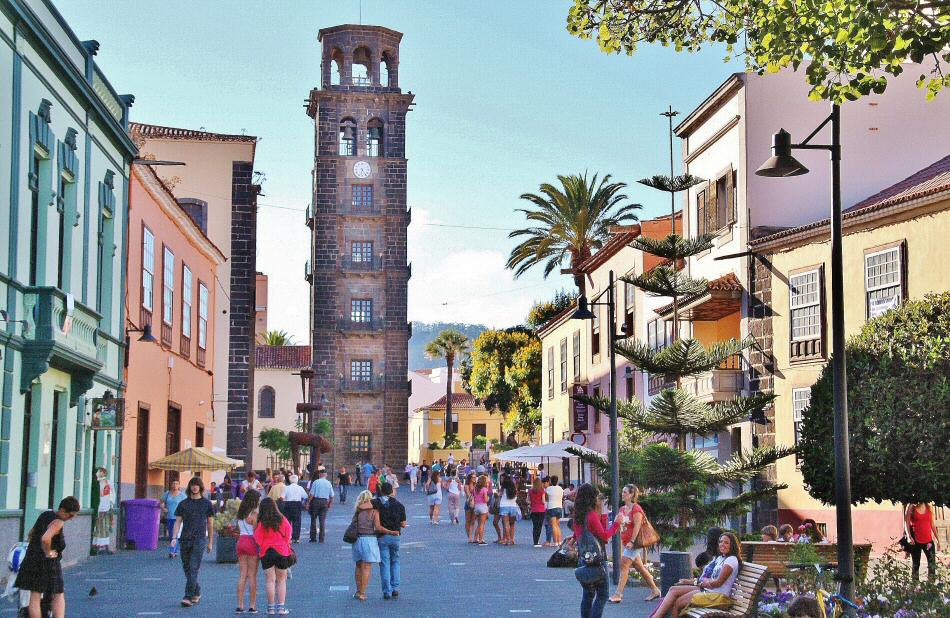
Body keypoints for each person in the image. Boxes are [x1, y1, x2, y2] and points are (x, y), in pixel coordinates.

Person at [649, 531, 742, 618]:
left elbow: (718, 582)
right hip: (709, 590)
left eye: (726, 543)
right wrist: (696, 582)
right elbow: (710, 579)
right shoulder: (720, 558)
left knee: (678, 603)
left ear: (732, 545)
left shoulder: (731, 559)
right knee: (673, 589)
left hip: (718, 596)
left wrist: (704, 583)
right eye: (721, 542)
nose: (722, 544)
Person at [15, 496, 80, 618]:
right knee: (58, 594)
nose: (71, 518)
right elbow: (45, 538)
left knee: (35, 596)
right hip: (49, 564)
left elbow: (31, 533)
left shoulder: (45, 514)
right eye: (70, 515)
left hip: (32, 560)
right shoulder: (58, 522)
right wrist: (48, 552)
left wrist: (34, 547)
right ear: (62, 510)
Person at [571, 484, 623, 618]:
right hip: (598, 560)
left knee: (588, 595)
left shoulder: (578, 516)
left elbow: (580, 533)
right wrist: (617, 523)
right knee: (603, 594)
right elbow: (604, 536)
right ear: (591, 498)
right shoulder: (591, 515)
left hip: (584, 559)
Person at [609, 485, 661, 604]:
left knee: (624, 564)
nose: (622, 494)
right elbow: (620, 524)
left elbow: (637, 526)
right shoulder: (622, 509)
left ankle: (618, 594)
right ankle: (655, 590)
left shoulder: (636, 509)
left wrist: (632, 542)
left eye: (625, 492)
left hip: (635, 543)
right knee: (640, 567)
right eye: (622, 492)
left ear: (631, 494)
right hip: (627, 542)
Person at [170, 476, 214, 607]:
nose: (195, 487)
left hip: (199, 539)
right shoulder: (183, 504)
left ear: (201, 487)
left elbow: (210, 523)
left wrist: (210, 542)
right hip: (185, 539)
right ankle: (196, 591)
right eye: (192, 485)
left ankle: (188, 596)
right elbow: (178, 522)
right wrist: (174, 537)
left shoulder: (206, 504)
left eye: (197, 485)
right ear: (189, 487)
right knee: (187, 567)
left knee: (193, 567)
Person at [351, 490, 399, 601]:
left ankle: (358, 591)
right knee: (367, 567)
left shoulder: (358, 510)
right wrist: (391, 532)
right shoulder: (374, 511)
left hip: (357, 540)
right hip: (369, 540)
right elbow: (378, 527)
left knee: (358, 566)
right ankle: (362, 593)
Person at [253, 498, 294, 616]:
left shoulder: (262, 523)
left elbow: (257, 538)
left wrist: (264, 544)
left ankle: (270, 608)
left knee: (270, 580)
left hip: (266, 552)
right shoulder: (282, 519)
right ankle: (281, 608)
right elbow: (289, 534)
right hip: (282, 551)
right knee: (281, 580)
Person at [373, 482, 407, 599]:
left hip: (382, 536)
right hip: (395, 536)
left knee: (384, 564)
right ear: (392, 491)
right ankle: (395, 588)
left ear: (381, 491)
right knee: (395, 561)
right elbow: (403, 524)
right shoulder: (399, 505)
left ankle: (386, 591)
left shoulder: (377, 503)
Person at [235, 489, 261, 613]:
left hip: (241, 541)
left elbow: (238, 529)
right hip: (251, 542)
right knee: (252, 576)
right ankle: (252, 606)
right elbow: (256, 532)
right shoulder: (254, 514)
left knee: (242, 575)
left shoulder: (240, 513)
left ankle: (240, 605)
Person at [905, 502, 940, 581]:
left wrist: (938, 540)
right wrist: (909, 536)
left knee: (932, 564)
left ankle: (931, 585)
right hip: (915, 541)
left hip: (928, 542)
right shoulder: (911, 506)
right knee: (916, 564)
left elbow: (932, 524)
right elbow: (907, 522)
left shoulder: (928, 506)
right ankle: (914, 585)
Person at [161, 479, 187, 558]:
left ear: (179, 486)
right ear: (171, 485)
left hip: (179, 518)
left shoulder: (182, 495)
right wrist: (163, 508)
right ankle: (175, 550)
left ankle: (172, 551)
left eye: (177, 484)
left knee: (176, 534)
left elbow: (186, 505)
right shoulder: (167, 494)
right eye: (173, 483)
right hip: (169, 517)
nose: (175, 485)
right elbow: (161, 502)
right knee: (171, 534)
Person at [307, 466, 334, 543]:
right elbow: (332, 495)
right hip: (324, 501)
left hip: (316, 501)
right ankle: (321, 538)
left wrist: (308, 503)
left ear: (320, 475)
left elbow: (311, 494)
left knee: (313, 519)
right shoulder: (328, 483)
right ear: (326, 475)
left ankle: (313, 538)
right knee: (322, 520)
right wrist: (330, 503)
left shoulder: (316, 482)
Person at [91, 467, 114, 555]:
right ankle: (97, 545)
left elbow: (112, 493)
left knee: (106, 526)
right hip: (99, 508)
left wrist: (111, 504)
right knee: (99, 527)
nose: (99, 473)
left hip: (106, 507)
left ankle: (105, 545)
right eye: (98, 472)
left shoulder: (108, 482)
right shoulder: (97, 483)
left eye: (100, 472)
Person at [282, 474, 308, 543]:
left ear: (290, 480)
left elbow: (282, 497)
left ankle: (288, 537)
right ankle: (296, 538)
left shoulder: (286, 488)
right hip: (297, 504)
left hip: (288, 504)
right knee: (297, 521)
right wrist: (303, 502)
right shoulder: (300, 488)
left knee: (288, 521)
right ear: (297, 480)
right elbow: (305, 496)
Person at [498, 475, 520, 545]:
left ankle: (508, 540)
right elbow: (516, 497)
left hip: (504, 506)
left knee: (506, 524)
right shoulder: (514, 489)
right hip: (513, 506)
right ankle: (512, 539)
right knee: (512, 524)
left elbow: (499, 495)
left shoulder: (503, 489)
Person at [545, 475, 565, 547]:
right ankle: (559, 541)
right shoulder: (560, 488)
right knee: (557, 525)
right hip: (559, 507)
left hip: (552, 507)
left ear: (551, 481)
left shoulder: (548, 489)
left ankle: (555, 541)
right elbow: (562, 496)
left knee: (553, 525)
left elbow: (546, 498)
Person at [472, 474, 491, 545]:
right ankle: (481, 540)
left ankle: (475, 539)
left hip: (476, 507)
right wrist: (488, 498)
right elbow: (485, 500)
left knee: (479, 524)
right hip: (483, 507)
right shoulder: (484, 489)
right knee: (482, 524)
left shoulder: (475, 489)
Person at [528, 478, 547, 548]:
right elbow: (543, 501)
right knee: (539, 526)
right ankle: (537, 541)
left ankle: (535, 541)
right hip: (541, 510)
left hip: (533, 510)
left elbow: (527, 500)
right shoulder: (542, 491)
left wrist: (532, 502)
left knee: (535, 526)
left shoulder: (530, 491)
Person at [463, 473, 478, 543]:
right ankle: (469, 537)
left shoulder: (476, 485)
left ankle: (472, 536)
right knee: (468, 520)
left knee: (473, 521)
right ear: (470, 478)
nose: (474, 478)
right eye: (473, 477)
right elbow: (468, 494)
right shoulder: (466, 485)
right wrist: (472, 500)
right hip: (468, 503)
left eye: (475, 477)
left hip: (476, 504)